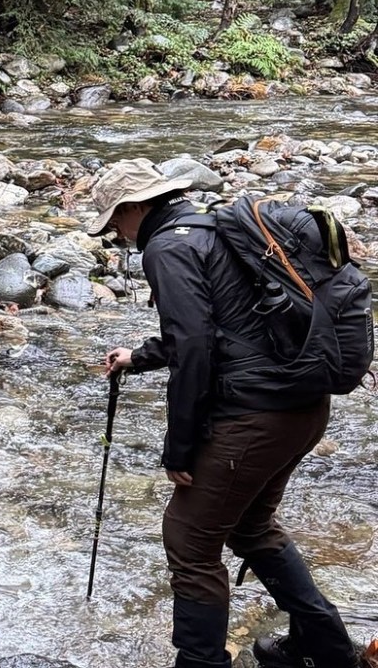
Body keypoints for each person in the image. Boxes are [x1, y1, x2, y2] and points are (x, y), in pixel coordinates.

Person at [93, 159, 359, 668]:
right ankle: (324, 648)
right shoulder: (218, 228)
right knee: (251, 527)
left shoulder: (167, 247)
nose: (118, 236)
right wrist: (140, 356)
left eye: (116, 223)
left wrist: (180, 447)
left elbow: (194, 346)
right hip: (302, 406)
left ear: (136, 207)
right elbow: (226, 326)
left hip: (255, 419)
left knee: (190, 540)